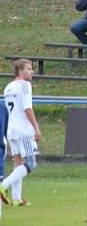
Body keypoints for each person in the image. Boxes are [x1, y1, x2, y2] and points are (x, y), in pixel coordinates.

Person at [0, 59, 42, 207]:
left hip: (11, 130)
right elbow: (27, 108)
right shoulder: (25, 85)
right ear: (20, 70)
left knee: (18, 162)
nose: (32, 72)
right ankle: (3, 186)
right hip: (23, 130)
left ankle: (16, 198)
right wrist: (36, 128)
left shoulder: (8, 87)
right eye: (29, 69)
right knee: (31, 163)